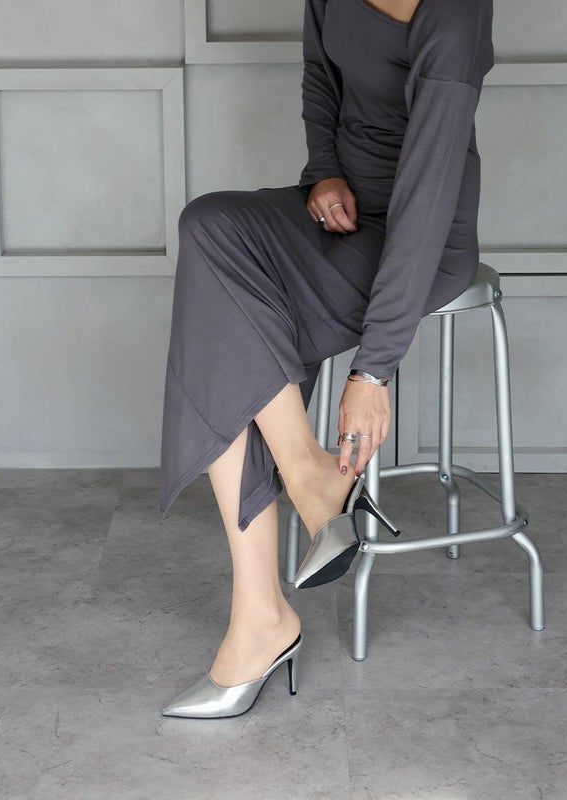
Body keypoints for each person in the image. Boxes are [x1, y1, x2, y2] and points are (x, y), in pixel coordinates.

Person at [156, 0, 494, 718]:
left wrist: (374, 370)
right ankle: (309, 477)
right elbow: (321, 75)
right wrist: (324, 173)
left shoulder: (454, 13)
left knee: (227, 319)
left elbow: (428, 195)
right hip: (343, 212)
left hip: (421, 238)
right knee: (209, 225)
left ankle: (259, 618)